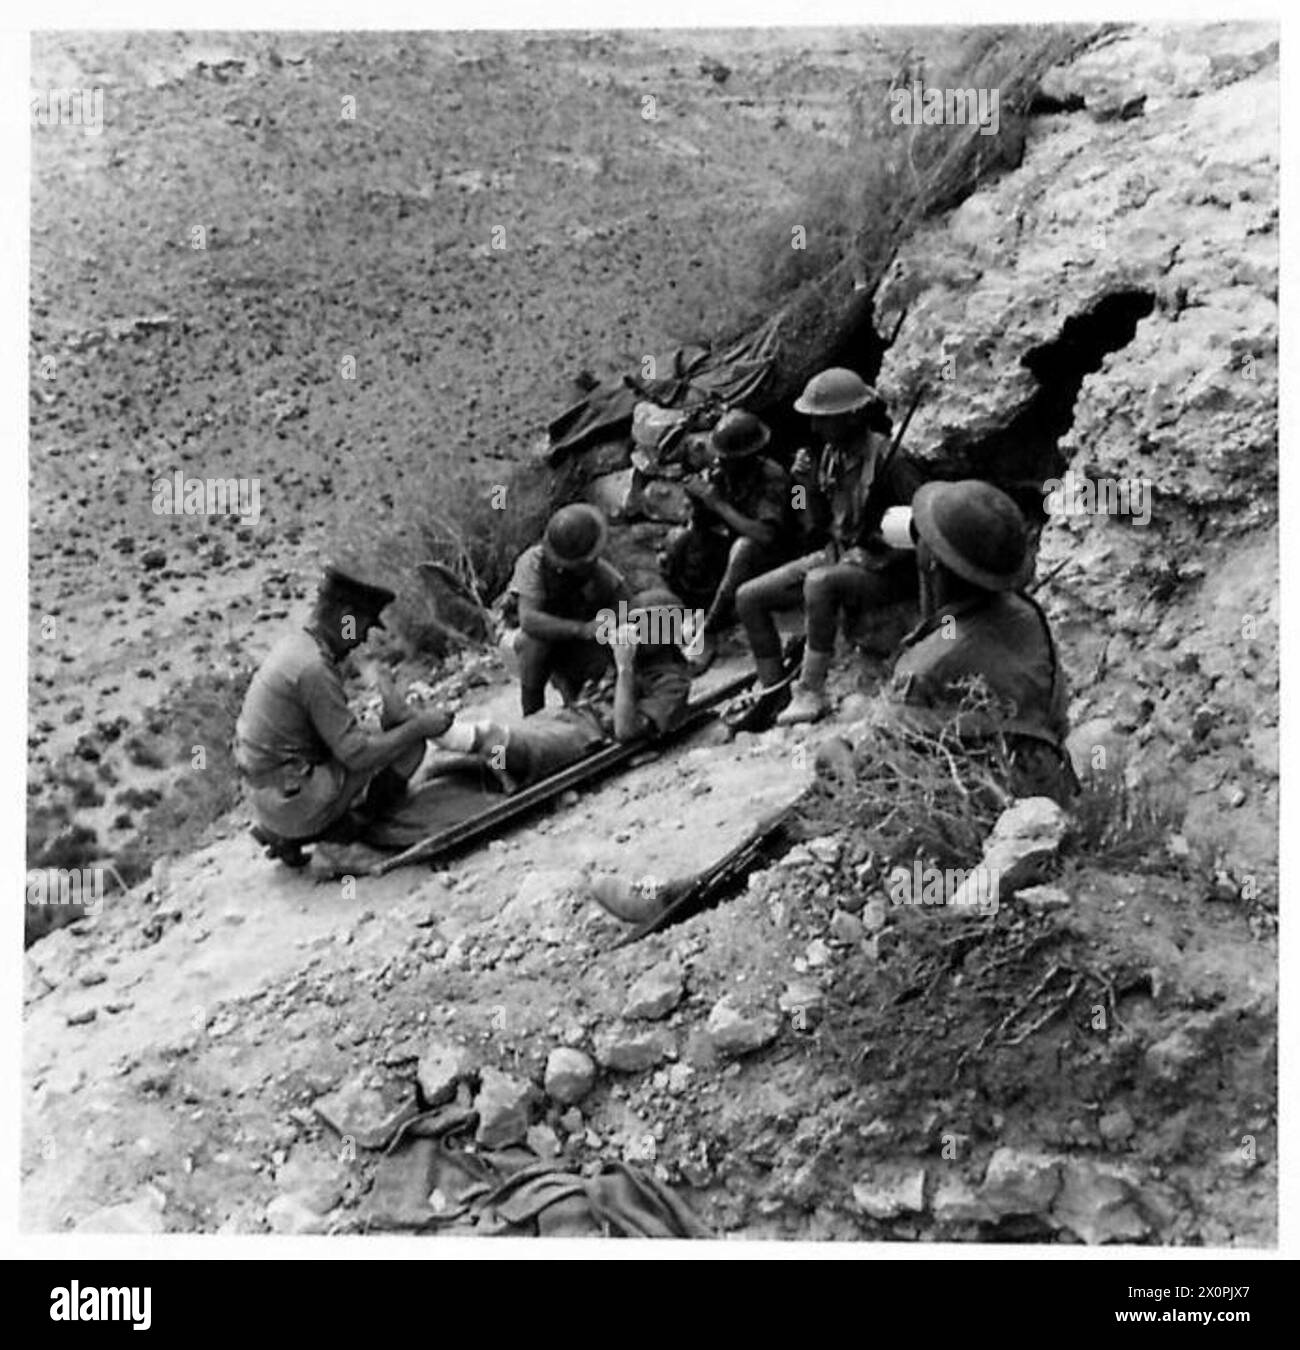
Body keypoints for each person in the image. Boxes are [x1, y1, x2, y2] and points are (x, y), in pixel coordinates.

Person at [818, 480, 1075, 805]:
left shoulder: (925, 665)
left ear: (932, 561)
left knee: (831, 752)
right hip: (1046, 778)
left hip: (984, 803)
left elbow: (885, 754)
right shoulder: (1025, 613)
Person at [734, 367, 925, 725]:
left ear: (853, 417)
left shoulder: (890, 461)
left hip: (887, 570)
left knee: (820, 583)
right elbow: (818, 525)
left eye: (824, 420)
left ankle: (811, 691)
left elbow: (924, 529)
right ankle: (773, 692)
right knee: (749, 596)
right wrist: (804, 487)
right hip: (841, 554)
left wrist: (878, 547)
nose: (815, 428)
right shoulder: (829, 457)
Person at [235, 563, 455, 865]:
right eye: (362, 627)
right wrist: (419, 728)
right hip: (289, 799)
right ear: (345, 619)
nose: (362, 638)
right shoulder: (314, 669)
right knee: (409, 748)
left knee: (383, 738)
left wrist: (389, 717)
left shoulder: (297, 647)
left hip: (268, 791)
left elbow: (332, 732)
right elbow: (356, 755)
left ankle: (289, 831)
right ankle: (342, 834)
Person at [438, 589, 692, 792]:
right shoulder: (635, 660)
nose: (631, 632)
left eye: (640, 626)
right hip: (566, 716)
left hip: (584, 735)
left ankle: (491, 759)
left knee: (492, 738)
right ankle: (505, 775)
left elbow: (626, 731)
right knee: (472, 755)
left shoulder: (672, 683)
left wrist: (624, 666)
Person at [659, 410, 793, 672]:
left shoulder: (772, 476)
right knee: (679, 541)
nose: (720, 461)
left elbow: (765, 535)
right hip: (737, 553)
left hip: (774, 557)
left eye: (727, 457)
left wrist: (717, 504)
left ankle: (710, 629)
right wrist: (699, 504)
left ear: (747, 457)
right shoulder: (723, 474)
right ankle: (695, 612)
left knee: (743, 548)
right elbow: (703, 529)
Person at [501, 503, 631, 715]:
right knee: (534, 645)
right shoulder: (533, 562)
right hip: (524, 642)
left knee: (589, 697)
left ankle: (579, 694)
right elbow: (529, 620)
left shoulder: (595, 570)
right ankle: (532, 712)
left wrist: (617, 627)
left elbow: (624, 600)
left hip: (572, 641)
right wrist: (583, 629)